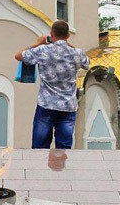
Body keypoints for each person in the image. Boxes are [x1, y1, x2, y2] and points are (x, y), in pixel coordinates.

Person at [15, 20, 89, 149]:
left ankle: (40, 169)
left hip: (46, 105)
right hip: (68, 106)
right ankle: (61, 169)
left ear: (51, 33)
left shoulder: (43, 50)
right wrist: (67, 44)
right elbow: (87, 63)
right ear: (68, 35)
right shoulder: (77, 53)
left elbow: (18, 56)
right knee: (64, 147)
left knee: (40, 148)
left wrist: (37, 43)